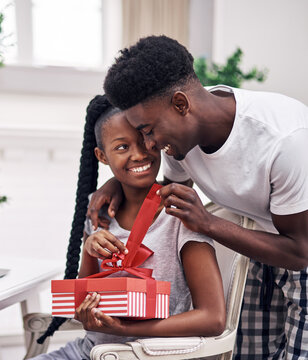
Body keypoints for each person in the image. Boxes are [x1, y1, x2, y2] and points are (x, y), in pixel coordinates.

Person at [90, 35, 308, 359]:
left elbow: (301, 252)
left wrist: (208, 223)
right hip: (262, 248)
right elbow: (164, 197)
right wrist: (116, 184)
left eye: (148, 130)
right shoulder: (179, 138)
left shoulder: (285, 142)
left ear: (181, 104)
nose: (149, 145)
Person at [31, 95, 226, 360]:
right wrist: (89, 249)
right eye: (122, 147)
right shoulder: (98, 212)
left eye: (145, 139)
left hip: (149, 355)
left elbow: (213, 318)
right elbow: (81, 301)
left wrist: (126, 328)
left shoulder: (180, 214)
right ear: (102, 156)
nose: (139, 153)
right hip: (89, 351)